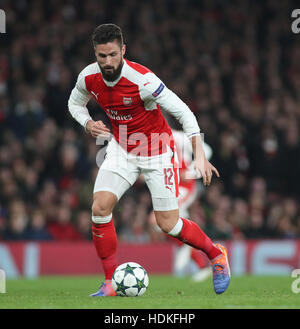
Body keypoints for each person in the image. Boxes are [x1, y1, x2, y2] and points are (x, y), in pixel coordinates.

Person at [68, 24, 230, 296]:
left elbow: (184, 113)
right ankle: (109, 282)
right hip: (122, 151)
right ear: (95, 54)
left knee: (169, 225)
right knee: (99, 208)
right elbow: (74, 103)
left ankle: (216, 254)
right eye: (101, 56)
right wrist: (87, 123)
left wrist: (199, 155)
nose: (107, 62)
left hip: (157, 152)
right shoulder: (88, 77)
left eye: (112, 55)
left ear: (123, 50)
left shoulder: (142, 79)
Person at [148, 129, 212, 281]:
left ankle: (189, 251)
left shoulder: (179, 137)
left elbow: (207, 150)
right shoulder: (149, 141)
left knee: (156, 220)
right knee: (173, 227)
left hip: (184, 187)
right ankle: (201, 264)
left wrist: (191, 172)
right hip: (170, 187)